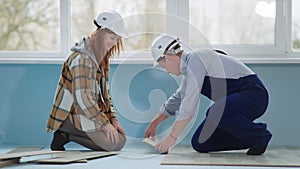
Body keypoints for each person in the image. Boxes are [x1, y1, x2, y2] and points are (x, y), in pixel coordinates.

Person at [144, 34, 272, 155]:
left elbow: (188, 106)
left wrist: (171, 138)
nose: (167, 71)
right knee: (200, 142)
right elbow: (177, 100)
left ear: (168, 58)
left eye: (163, 66)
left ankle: (260, 135)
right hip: (232, 108)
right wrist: (154, 123)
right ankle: (253, 137)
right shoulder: (190, 72)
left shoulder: (197, 59)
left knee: (216, 111)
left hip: (255, 96)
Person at [47, 10, 126, 151]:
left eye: (117, 40)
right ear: (100, 34)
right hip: (73, 114)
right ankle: (65, 132)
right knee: (112, 144)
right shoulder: (82, 59)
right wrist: (104, 124)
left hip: (86, 112)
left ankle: (68, 133)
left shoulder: (99, 57)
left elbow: (105, 95)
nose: (114, 44)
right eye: (112, 38)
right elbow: (83, 98)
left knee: (120, 140)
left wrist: (113, 120)